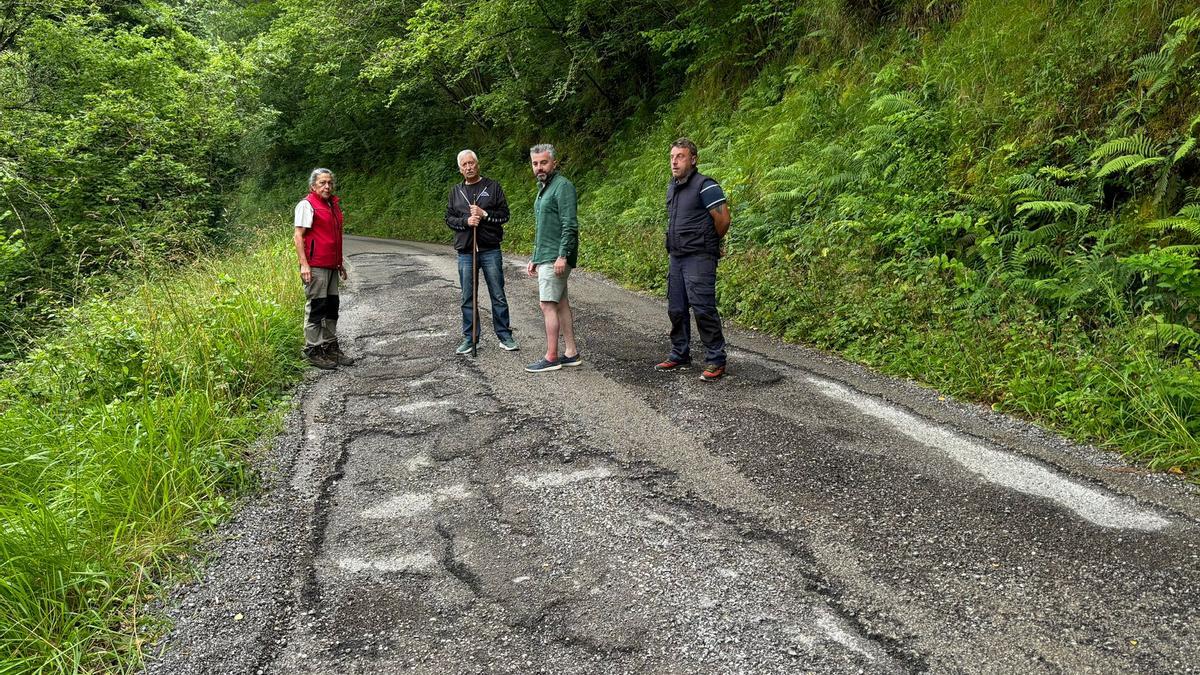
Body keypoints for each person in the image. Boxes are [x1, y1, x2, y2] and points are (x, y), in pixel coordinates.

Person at [655, 138, 730, 381]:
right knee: (676, 308)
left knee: (702, 308)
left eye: (681, 156)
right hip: (677, 257)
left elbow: (723, 220)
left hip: (699, 257)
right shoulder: (673, 187)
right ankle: (680, 354)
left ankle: (716, 359)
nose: (675, 162)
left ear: (693, 159)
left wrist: (710, 243)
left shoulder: (706, 185)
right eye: (672, 157)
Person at [445, 149, 518, 355]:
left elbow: (505, 215)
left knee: (497, 293)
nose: (469, 167)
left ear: (477, 164)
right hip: (466, 251)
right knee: (468, 296)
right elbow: (449, 219)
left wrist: (484, 214)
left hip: (490, 249)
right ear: (460, 169)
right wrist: (466, 222)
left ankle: (505, 335)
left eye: (471, 163)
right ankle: (470, 338)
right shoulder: (455, 192)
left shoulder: (492, 187)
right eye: (464, 165)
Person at [524, 144, 581, 373]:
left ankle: (551, 357)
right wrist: (535, 257)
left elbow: (570, 224)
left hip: (556, 257)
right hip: (547, 255)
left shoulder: (562, 187)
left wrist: (562, 255)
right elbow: (543, 228)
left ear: (554, 163)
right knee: (561, 303)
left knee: (547, 304)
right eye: (535, 163)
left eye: (543, 162)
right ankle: (571, 352)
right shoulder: (544, 188)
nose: (539, 167)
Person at [293, 168, 355, 370]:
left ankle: (330, 347)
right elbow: (298, 236)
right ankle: (313, 349)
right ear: (313, 186)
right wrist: (304, 264)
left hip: (331, 265)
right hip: (316, 265)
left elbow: (333, 237)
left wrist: (339, 263)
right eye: (322, 183)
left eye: (329, 182)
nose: (327, 186)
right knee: (317, 308)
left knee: (332, 308)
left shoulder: (332, 205)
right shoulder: (307, 205)